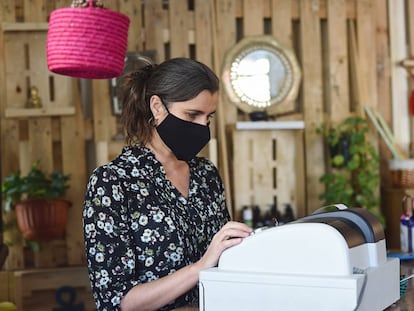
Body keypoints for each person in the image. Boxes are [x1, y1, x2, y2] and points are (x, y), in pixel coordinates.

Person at [83, 57, 252, 311]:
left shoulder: (206, 175)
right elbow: (118, 302)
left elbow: (223, 264)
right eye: (192, 114)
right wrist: (200, 267)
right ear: (157, 107)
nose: (202, 127)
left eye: (208, 117)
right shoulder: (111, 183)